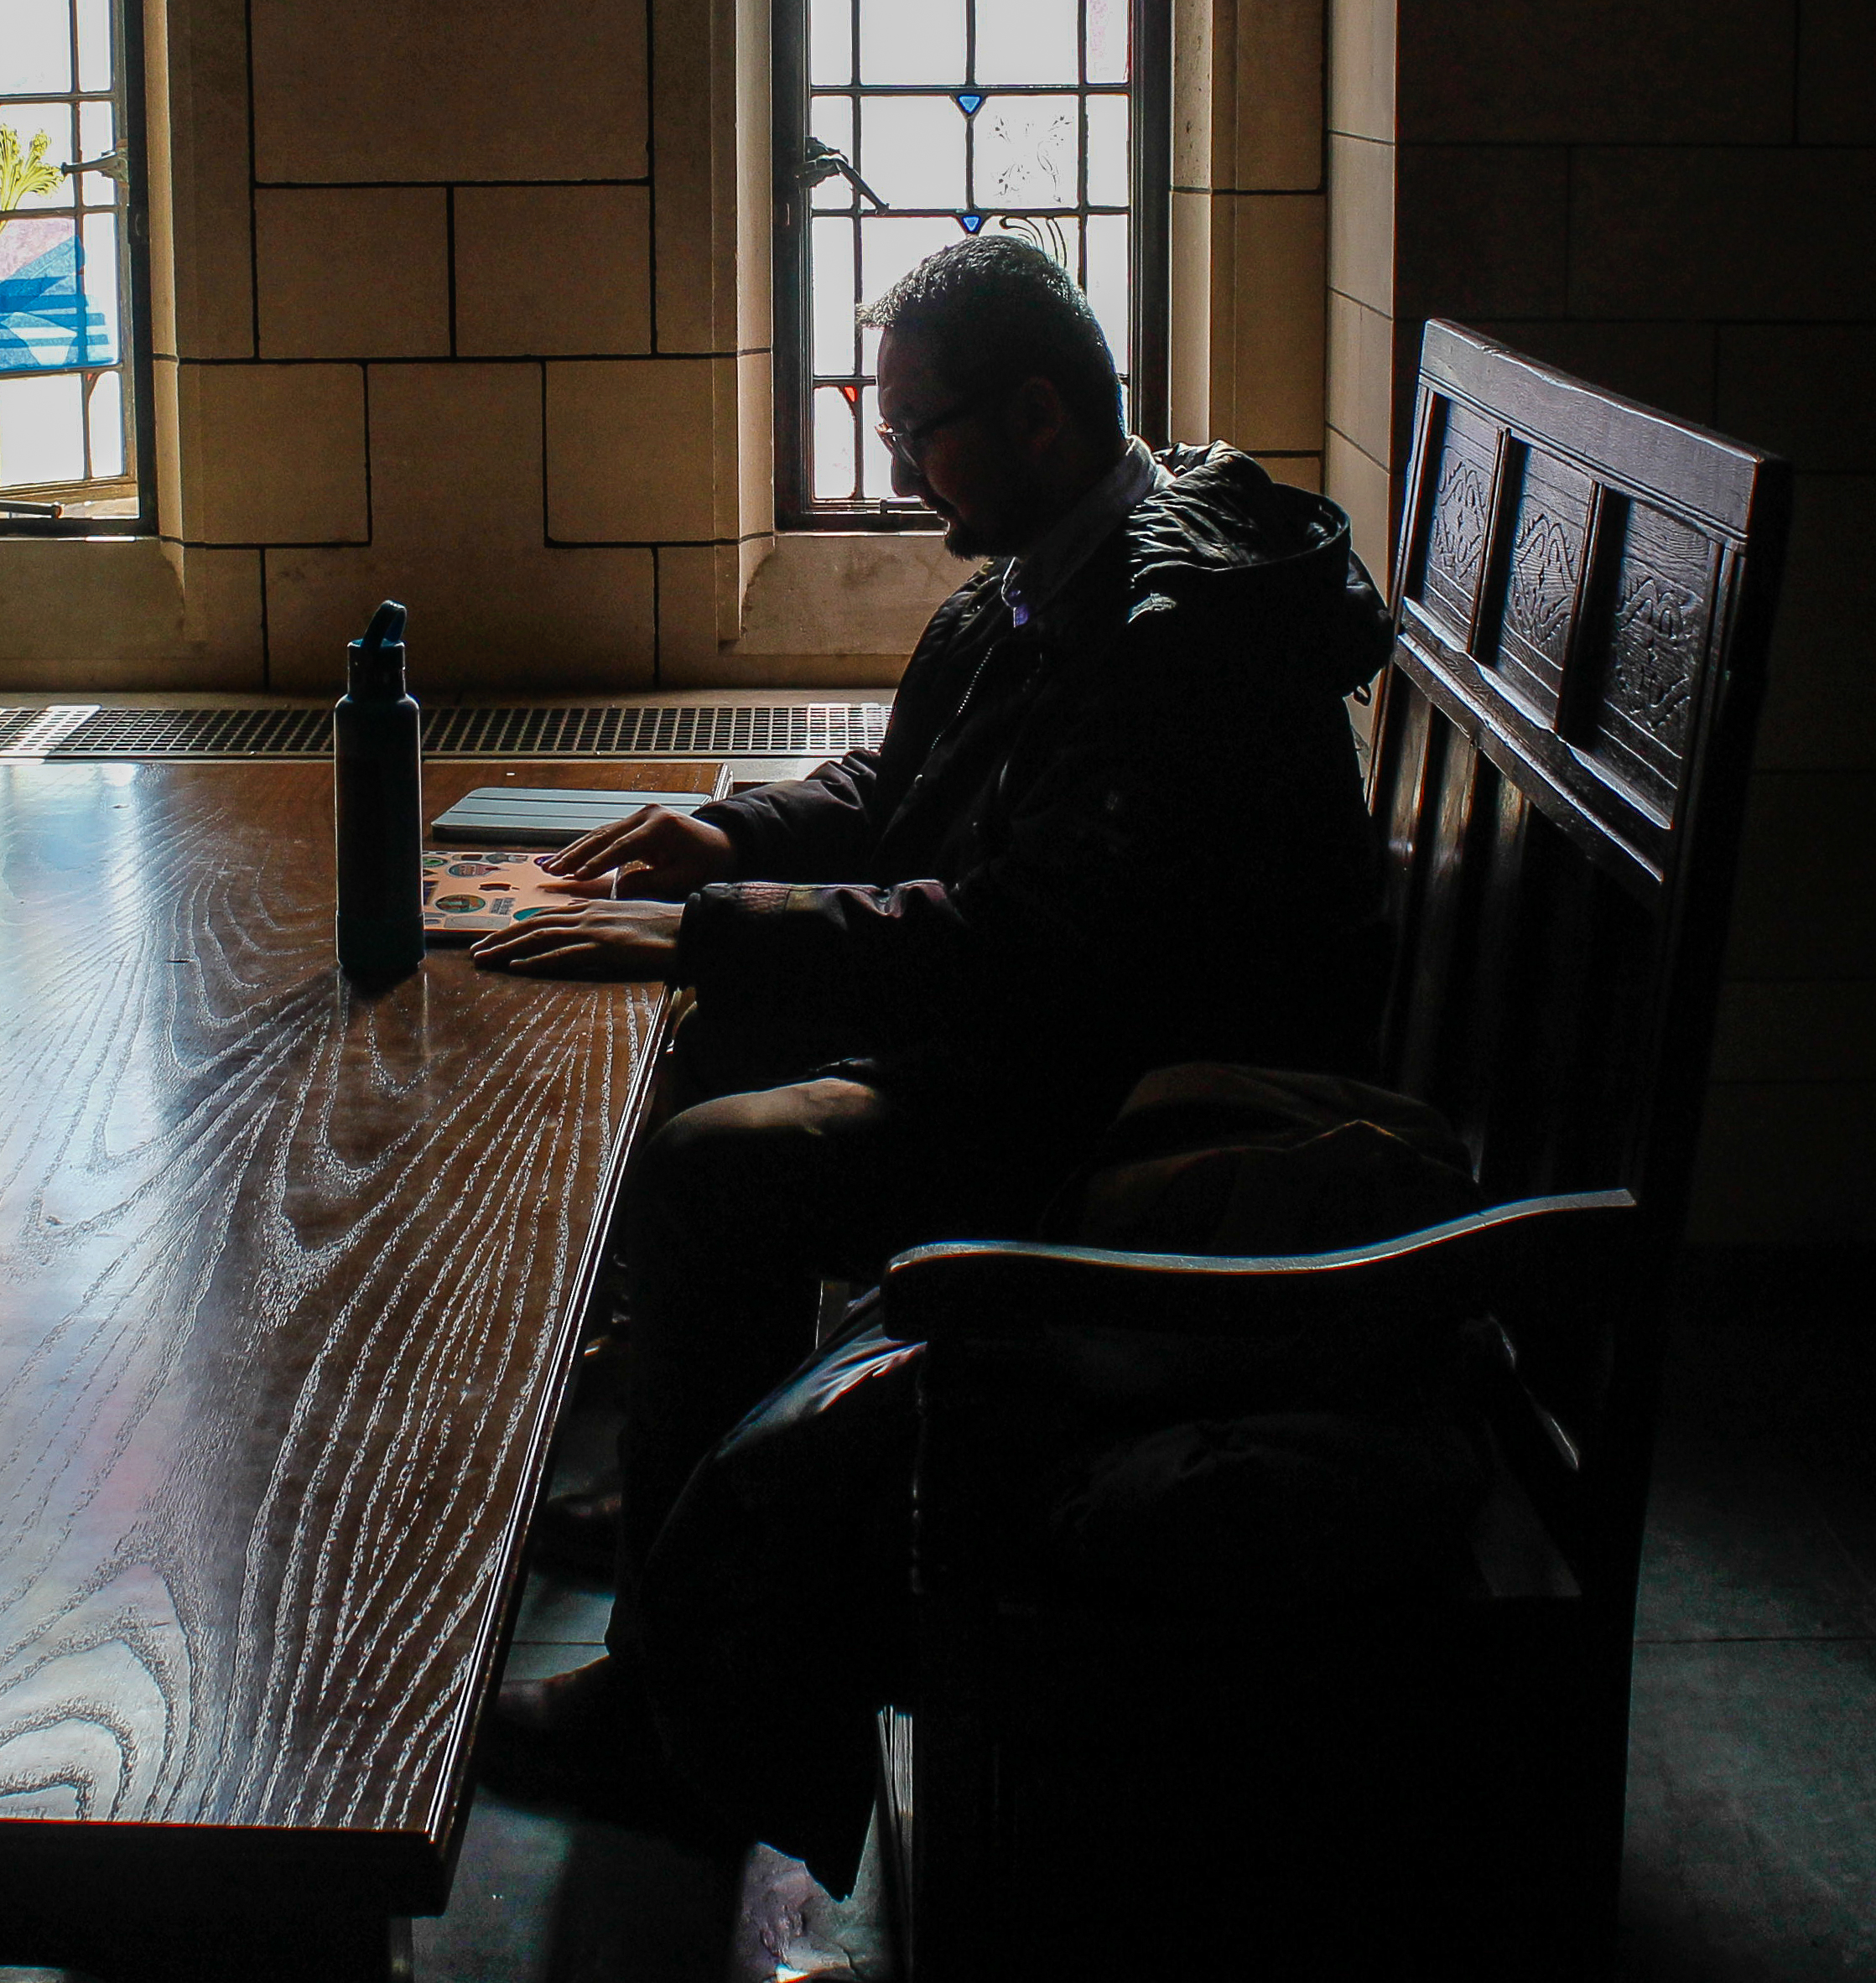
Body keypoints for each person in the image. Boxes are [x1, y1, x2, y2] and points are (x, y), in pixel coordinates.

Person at [469, 233, 1395, 1828]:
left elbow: (1027, 947)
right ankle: (699, 1524)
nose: (903, 477)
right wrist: (730, 838)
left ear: (1037, 414)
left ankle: (690, 1712)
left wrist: (704, 933)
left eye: (918, 433)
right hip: (1084, 1050)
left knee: (717, 1161)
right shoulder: (1067, 566)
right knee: (713, 1045)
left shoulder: (1168, 636)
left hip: (1155, 1132)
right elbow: (911, 792)